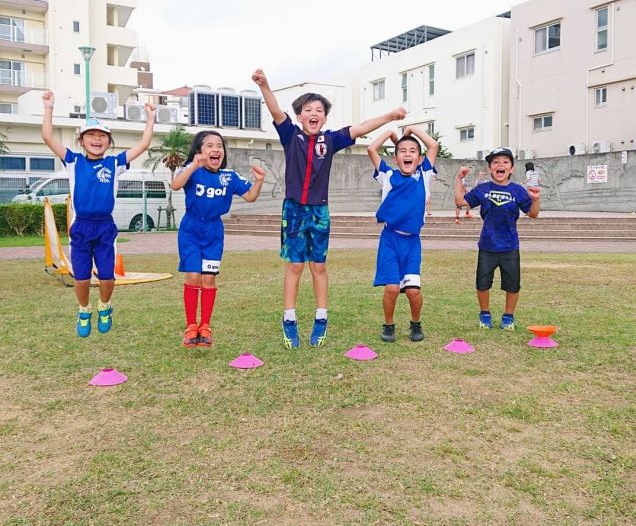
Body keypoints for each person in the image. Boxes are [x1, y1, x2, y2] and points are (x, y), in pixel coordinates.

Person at [251, 68, 406, 349]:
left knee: (318, 266)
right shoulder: (290, 135)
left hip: (320, 212)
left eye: (319, 110)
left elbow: (359, 128)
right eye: (308, 110)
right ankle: (289, 319)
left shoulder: (330, 140)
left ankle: (321, 317)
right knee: (296, 265)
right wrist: (265, 86)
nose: (314, 114)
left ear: (324, 117)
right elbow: (275, 111)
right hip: (294, 211)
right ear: (299, 116)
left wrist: (390, 116)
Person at [41, 90, 156, 337]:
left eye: (102, 135)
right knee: (81, 278)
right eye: (91, 135)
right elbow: (48, 137)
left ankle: (105, 306)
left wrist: (149, 118)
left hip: (105, 227)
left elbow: (144, 144)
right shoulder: (73, 161)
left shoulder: (114, 164)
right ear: (81, 140)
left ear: (108, 141)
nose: (96, 139)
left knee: (107, 277)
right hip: (81, 226)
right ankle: (84, 310)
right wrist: (49, 107)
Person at [172, 131, 264, 348]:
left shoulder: (229, 177)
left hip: (214, 232)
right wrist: (194, 165)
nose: (216, 150)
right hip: (191, 230)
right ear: (199, 151)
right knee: (193, 276)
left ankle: (205, 326)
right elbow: (176, 185)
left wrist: (259, 181)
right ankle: (190, 326)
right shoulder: (192, 172)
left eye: (219, 146)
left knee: (209, 279)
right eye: (209, 146)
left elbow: (250, 196)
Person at [454, 147, 540, 331]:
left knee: (513, 284)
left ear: (512, 169)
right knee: (482, 283)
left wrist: (535, 198)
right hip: (487, 245)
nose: (500, 165)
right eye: (495, 162)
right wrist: (459, 178)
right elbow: (460, 202)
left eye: (505, 162)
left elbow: (533, 213)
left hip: (510, 246)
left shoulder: (517, 190)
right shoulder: (483, 189)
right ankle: (485, 314)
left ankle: (508, 317)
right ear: (490, 168)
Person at [368, 126, 438, 342]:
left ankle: (415, 324)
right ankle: (388, 326)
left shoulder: (424, 174)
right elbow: (372, 148)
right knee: (391, 288)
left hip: (412, 242)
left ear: (419, 158)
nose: (408, 154)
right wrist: (390, 133)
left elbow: (433, 145)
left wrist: (412, 130)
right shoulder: (388, 176)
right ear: (396, 158)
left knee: (413, 292)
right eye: (402, 151)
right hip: (390, 239)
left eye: (412, 151)